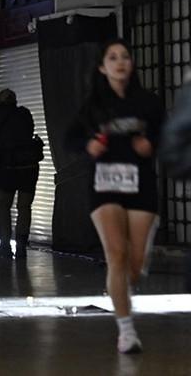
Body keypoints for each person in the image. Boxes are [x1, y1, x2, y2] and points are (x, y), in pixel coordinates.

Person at [66, 39, 163, 354]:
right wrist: (88, 146)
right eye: (112, 57)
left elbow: (166, 133)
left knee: (133, 266)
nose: (120, 62)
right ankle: (126, 331)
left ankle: (131, 273)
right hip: (105, 186)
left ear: (131, 65)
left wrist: (151, 144)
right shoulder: (93, 106)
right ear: (102, 67)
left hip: (140, 186)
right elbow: (71, 139)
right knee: (117, 256)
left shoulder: (148, 103)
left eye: (124, 57)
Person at [0, 89, 42, 259]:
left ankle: (5, 246)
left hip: (8, 168)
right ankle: (21, 247)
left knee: (3, 206)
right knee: (24, 207)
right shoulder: (25, 114)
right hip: (29, 167)